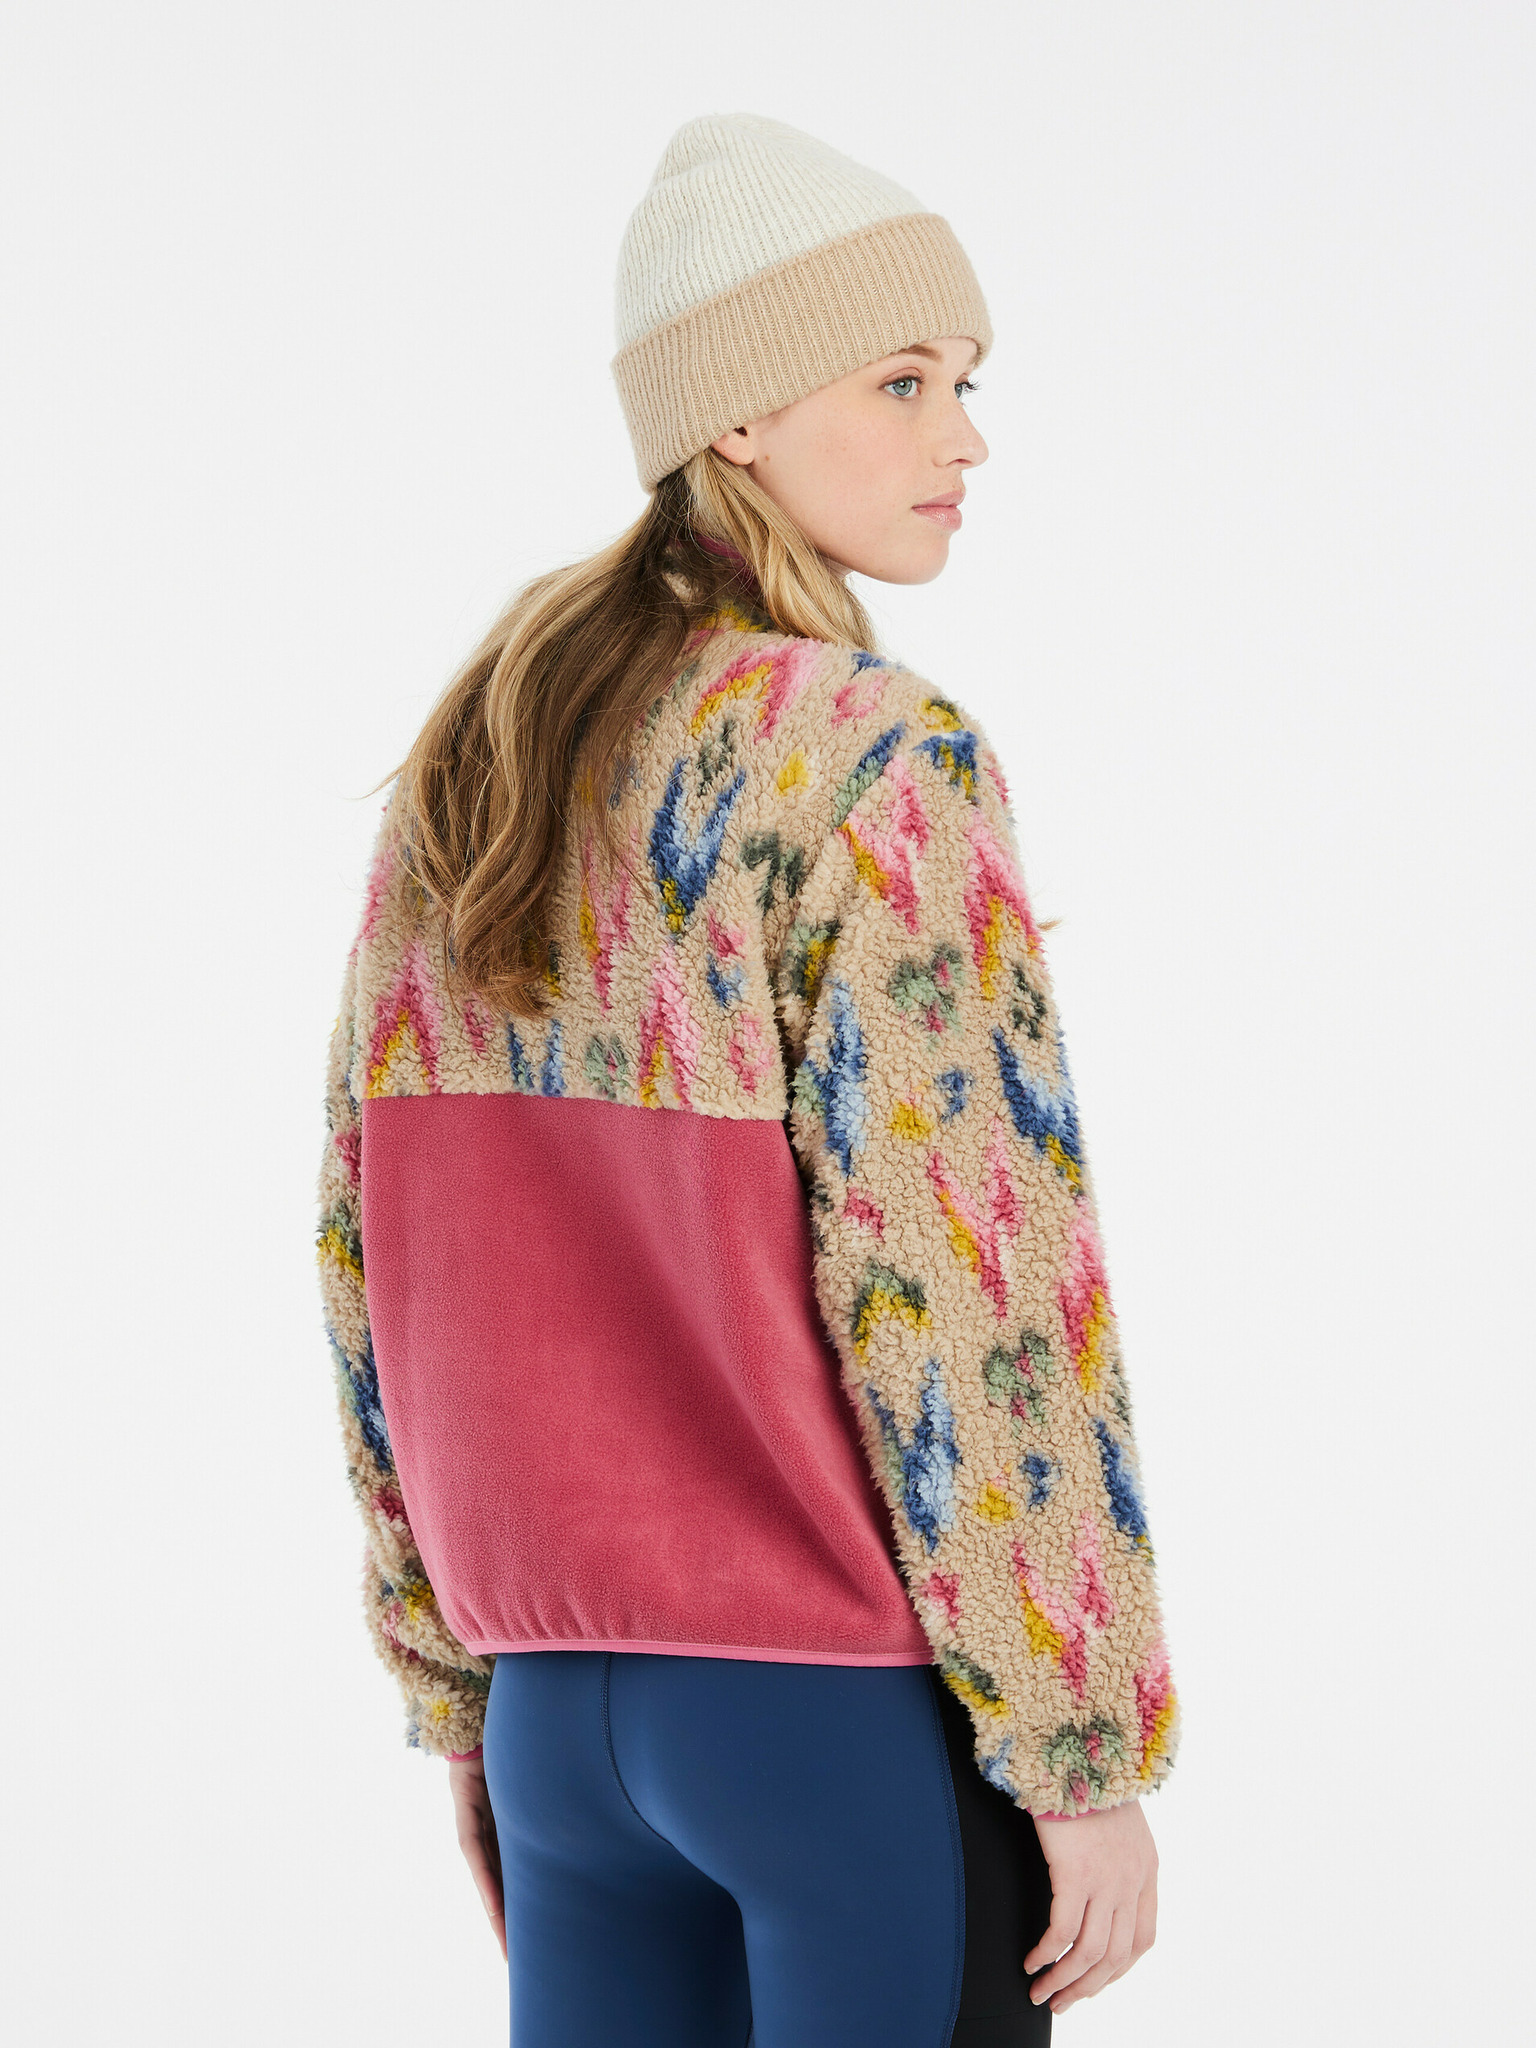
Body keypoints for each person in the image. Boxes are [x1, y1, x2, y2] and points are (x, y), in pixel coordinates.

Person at [316, 111, 1179, 2048]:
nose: (965, 439)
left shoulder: (485, 754)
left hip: (558, 1720)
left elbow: (371, 1255)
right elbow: (968, 1279)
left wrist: (459, 1694)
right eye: (902, 380)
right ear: (736, 416)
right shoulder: (872, 752)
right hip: (831, 1715)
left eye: (965, 382)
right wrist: (1079, 1745)